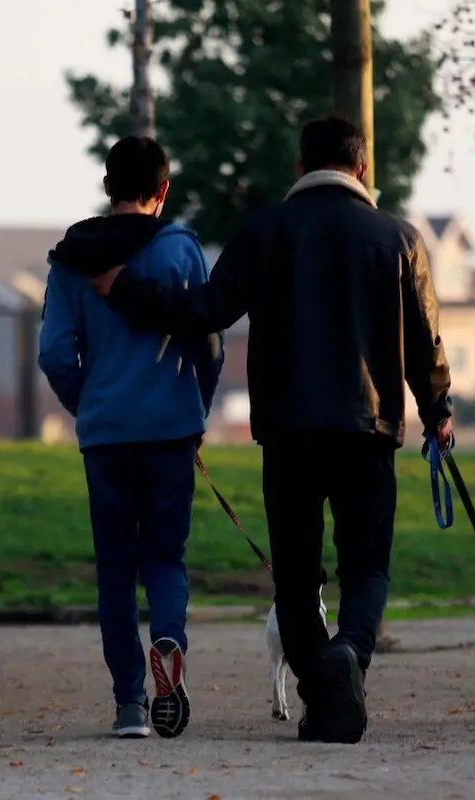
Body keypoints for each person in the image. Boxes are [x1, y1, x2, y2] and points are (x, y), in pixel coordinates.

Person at [80, 117, 453, 745]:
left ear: (301, 168)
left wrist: (127, 290)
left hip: (288, 433)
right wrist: (438, 410)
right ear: (361, 170)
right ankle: (350, 655)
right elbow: (424, 340)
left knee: (296, 577)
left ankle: (323, 695)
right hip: (369, 431)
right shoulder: (399, 239)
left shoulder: (265, 233)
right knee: (366, 567)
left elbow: (204, 312)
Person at [38, 135, 224, 740]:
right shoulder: (180, 249)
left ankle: (130, 707)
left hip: (106, 435)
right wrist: (197, 405)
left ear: (107, 186)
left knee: (115, 569)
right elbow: (208, 339)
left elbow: (53, 354)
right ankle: (168, 641)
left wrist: (86, 403)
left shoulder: (71, 258)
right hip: (172, 427)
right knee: (166, 556)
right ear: (163, 191)